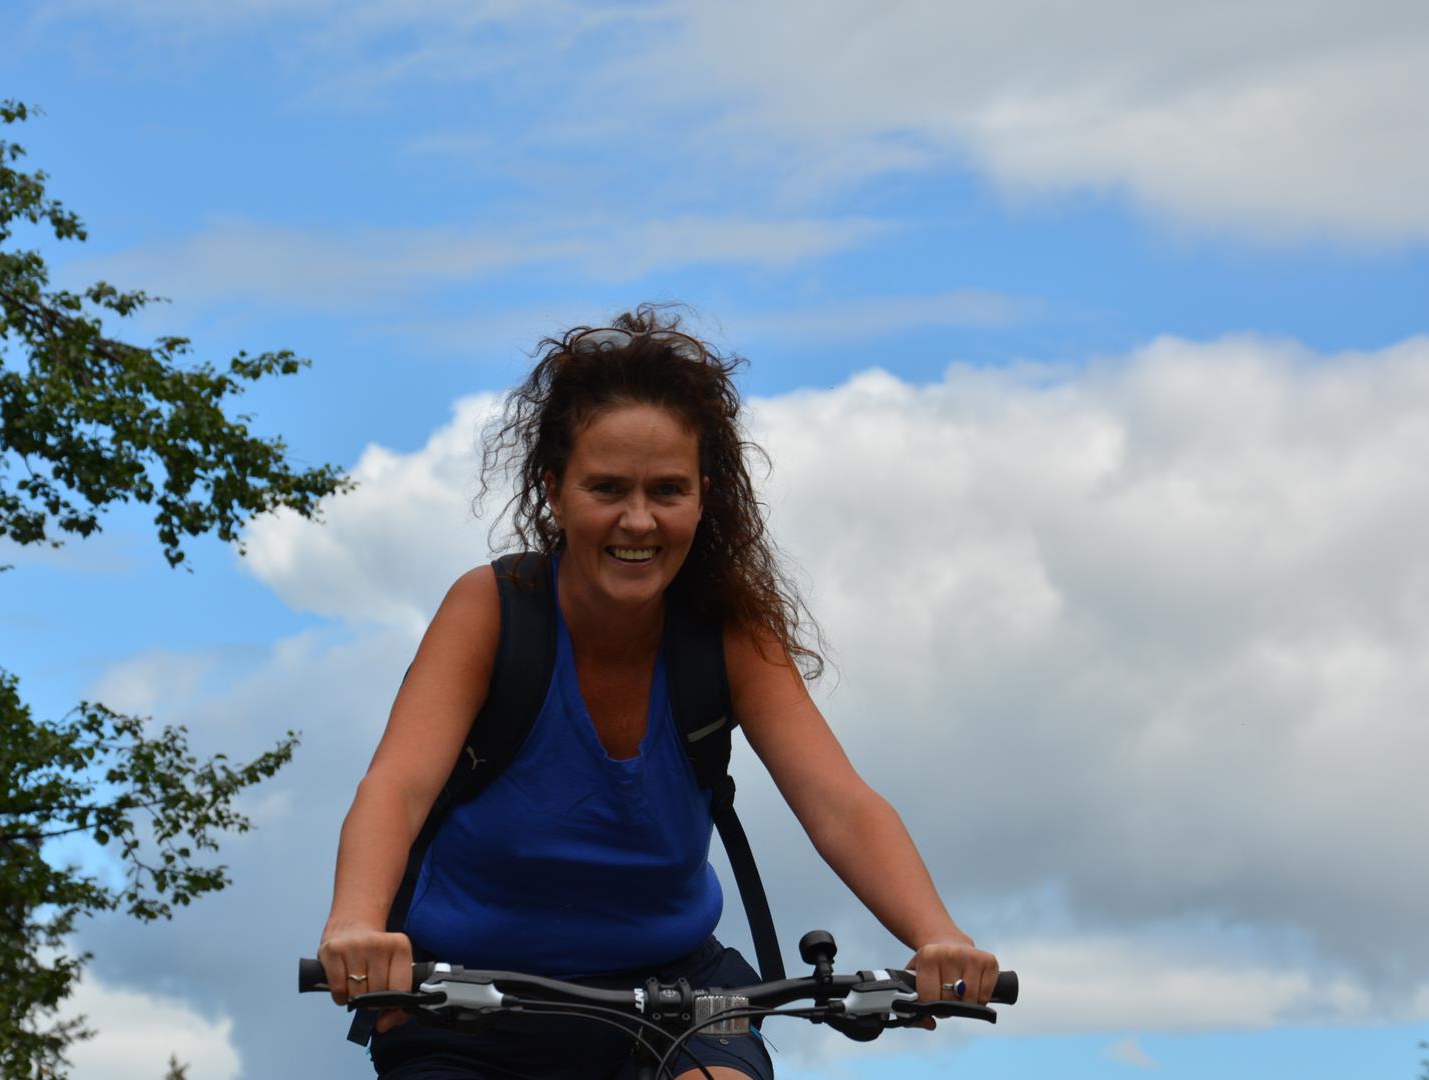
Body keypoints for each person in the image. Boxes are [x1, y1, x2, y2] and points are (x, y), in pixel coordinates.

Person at [318, 306, 1000, 1080]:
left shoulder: (728, 632)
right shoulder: (492, 610)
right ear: (554, 490)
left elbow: (838, 802)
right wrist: (356, 924)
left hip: (672, 994)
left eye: (667, 490)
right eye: (607, 488)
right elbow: (398, 785)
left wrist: (938, 936)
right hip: (472, 1000)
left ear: (704, 497)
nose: (638, 520)